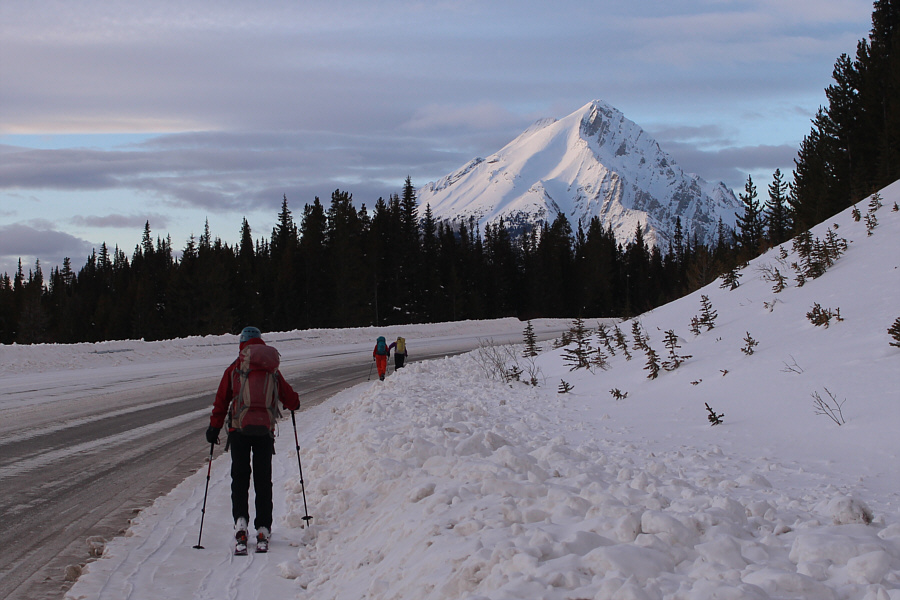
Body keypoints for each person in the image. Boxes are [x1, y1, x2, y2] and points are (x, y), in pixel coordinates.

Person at [206, 326, 300, 555]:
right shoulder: (271, 369)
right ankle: (263, 527)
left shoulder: (235, 367)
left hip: (239, 430)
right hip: (264, 431)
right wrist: (294, 404)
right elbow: (291, 398)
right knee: (262, 479)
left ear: (242, 343)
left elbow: (222, 400)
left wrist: (214, 427)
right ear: (261, 342)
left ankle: (240, 523)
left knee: (239, 477)